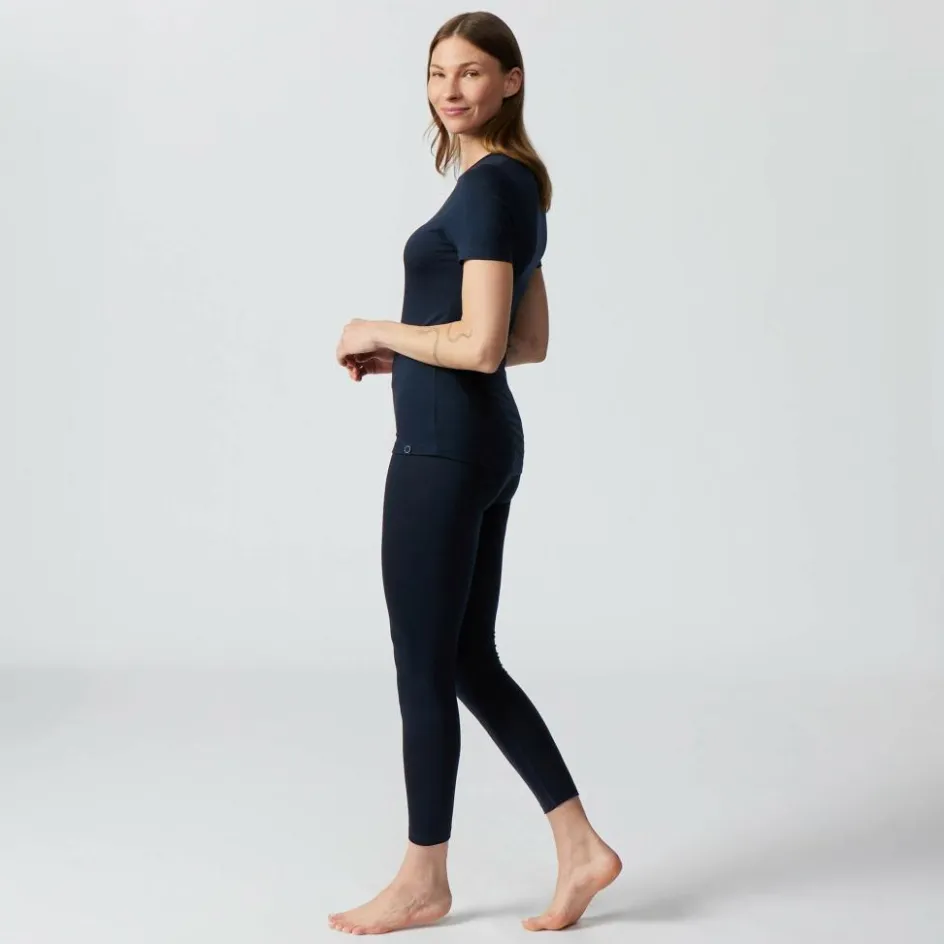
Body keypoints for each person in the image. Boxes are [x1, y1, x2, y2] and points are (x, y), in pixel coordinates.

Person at [330, 11, 621, 936]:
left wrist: (377, 329)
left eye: (470, 72)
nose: (449, 90)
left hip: (442, 453)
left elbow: (488, 344)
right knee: (466, 658)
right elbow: (527, 343)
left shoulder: (492, 187)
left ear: (511, 81)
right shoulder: (514, 187)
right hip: (479, 441)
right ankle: (581, 847)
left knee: (425, 662)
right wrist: (408, 357)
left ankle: (423, 879)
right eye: (437, 73)